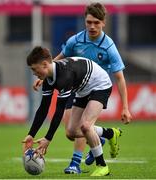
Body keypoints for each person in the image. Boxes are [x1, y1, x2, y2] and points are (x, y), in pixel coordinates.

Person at [33, 2, 132, 174]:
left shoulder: (109, 47)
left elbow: (120, 78)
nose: (92, 26)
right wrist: (45, 74)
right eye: (89, 22)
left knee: (85, 125)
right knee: (71, 132)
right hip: (77, 86)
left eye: (96, 22)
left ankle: (77, 164)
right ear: (85, 21)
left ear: (103, 23)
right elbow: (60, 59)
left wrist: (125, 107)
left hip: (97, 87)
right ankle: (106, 135)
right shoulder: (76, 40)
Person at [22, 46, 126, 176]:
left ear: (44, 64)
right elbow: (43, 108)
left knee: (86, 126)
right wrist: (31, 134)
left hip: (100, 85)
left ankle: (102, 166)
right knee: (71, 132)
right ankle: (110, 133)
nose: (33, 73)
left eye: (34, 69)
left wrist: (48, 139)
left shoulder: (64, 76)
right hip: (83, 90)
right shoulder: (48, 79)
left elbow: (59, 111)